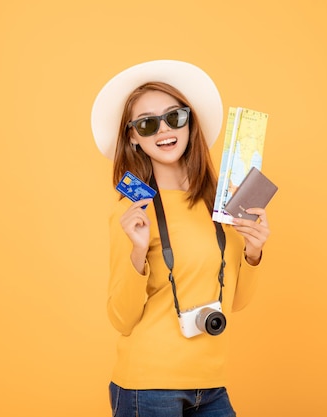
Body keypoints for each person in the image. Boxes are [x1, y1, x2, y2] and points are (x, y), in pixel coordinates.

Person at [90, 60, 271, 417]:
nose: (164, 130)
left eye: (174, 117)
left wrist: (253, 252)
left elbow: (235, 303)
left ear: (190, 122)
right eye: (146, 123)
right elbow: (121, 319)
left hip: (212, 383)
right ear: (133, 137)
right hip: (148, 386)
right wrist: (137, 253)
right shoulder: (132, 213)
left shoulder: (224, 203)